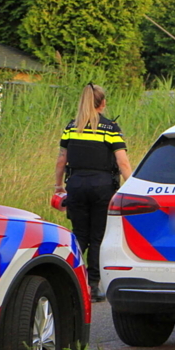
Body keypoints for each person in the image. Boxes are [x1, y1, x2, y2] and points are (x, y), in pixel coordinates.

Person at [55, 84, 133, 302]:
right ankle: (94, 287)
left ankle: (72, 284)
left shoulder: (71, 127)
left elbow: (62, 159)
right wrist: (134, 187)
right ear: (103, 103)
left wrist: (58, 186)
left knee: (79, 235)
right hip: (102, 188)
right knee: (98, 237)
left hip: (76, 185)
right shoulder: (110, 128)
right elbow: (123, 162)